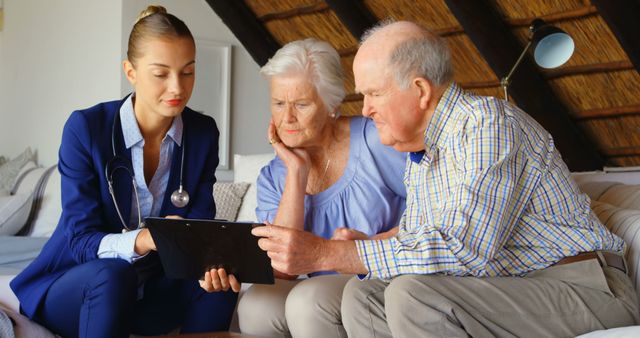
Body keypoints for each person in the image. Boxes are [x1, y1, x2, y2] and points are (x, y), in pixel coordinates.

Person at [252, 20, 640, 337]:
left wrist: (328, 253)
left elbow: (465, 247)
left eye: (373, 94)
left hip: (584, 286)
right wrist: (372, 243)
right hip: (510, 282)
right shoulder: (422, 151)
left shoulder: (488, 126)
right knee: (361, 294)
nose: (365, 109)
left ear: (419, 90)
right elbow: (428, 234)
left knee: (412, 296)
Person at [10, 6, 239, 338]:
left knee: (223, 282)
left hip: (151, 293)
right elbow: (80, 241)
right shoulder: (86, 128)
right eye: (161, 73)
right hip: (79, 286)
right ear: (130, 72)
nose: (177, 87)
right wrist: (143, 240)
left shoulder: (203, 133)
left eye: (187, 72)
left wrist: (212, 260)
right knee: (114, 274)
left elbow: (198, 226)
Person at [237, 38, 406, 338]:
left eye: (301, 104)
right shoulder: (274, 174)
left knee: (308, 299)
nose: (286, 117)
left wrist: (367, 244)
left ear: (331, 105)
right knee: (255, 304)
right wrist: (296, 171)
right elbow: (282, 268)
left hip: (379, 276)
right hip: (319, 286)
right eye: (278, 103)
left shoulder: (376, 141)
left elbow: (431, 214)